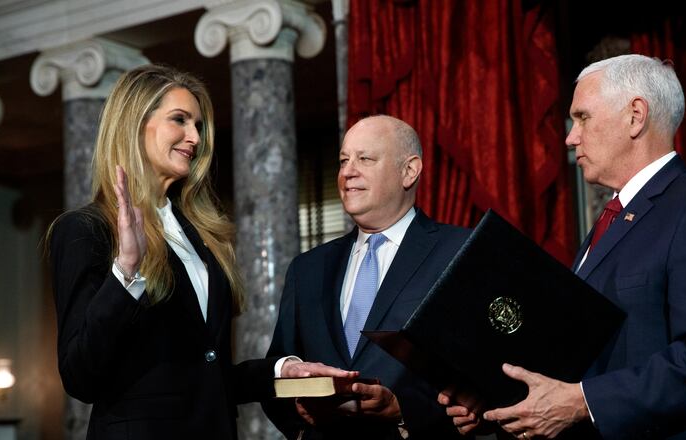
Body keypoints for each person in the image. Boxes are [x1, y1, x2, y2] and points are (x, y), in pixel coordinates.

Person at [439, 54, 686, 439]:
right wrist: (495, 397)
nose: (570, 137)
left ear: (635, 116)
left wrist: (584, 401)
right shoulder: (612, 218)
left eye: (583, 117)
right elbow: (582, 354)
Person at [48, 64, 352, 440]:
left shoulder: (200, 234)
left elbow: (204, 374)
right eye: (180, 120)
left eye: (199, 126)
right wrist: (126, 271)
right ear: (134, 123)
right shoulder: (83, 230)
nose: (195, 137)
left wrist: (279, 370)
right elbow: (80, 376)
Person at [263, 115, 471, 439]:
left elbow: (480, 376)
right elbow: (277, 372)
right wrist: (301, 422)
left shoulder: (460, 252)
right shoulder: (307, 269)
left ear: (409, 170)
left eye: (365, 159)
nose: (347, 172)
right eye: (344, 160)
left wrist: (404, 411)